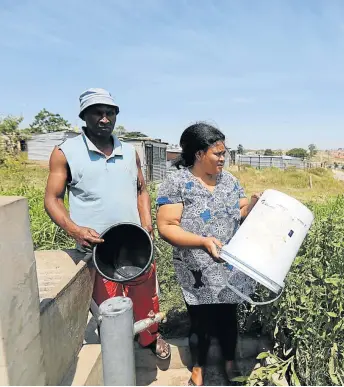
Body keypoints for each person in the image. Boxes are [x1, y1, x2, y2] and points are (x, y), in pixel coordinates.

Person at [44, 88, 170, 360]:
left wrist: (147, 223)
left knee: (146, 295)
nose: (104, 118)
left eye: (110, 113)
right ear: (84, 116)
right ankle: (116, 351)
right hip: (97, 246)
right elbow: (52, 199)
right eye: (97, 113)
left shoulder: (129, 150)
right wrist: (75, 229)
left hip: (135, 241)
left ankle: (150, 336)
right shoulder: (65, 152)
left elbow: (141, 190)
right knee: (108, 305)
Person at [156, 122, 260, 385]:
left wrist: (255, 204)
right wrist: (202, 242)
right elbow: (166, 226)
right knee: (200, 320)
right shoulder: (177, 182)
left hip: (229, 265)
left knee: (227, 316)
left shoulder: (230, 181)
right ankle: (198, 369)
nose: (223, 158)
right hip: (196, 267)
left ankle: (229, 362)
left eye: (225, 153)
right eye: (218, 153)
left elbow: (240, 211)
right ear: (199, 154)